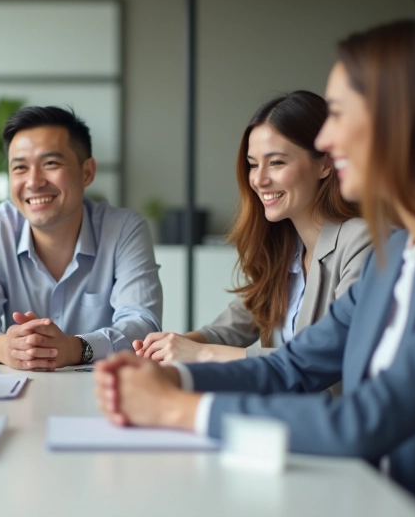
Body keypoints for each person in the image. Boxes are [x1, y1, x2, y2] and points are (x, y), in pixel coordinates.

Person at [95, 18, 415, 517]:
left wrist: (179, 409)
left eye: (337, 113)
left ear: (406, 118)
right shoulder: (396, 254)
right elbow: (292, 367)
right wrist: (171, 380)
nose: (328, 139)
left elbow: (368, 418)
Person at [134, 91, 370, 364]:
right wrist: (173, 345)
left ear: (325, 164)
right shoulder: (285, 249)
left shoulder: (360, 241)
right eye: (253, 164)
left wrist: (201, 353)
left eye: (277, 162)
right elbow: (232, 328)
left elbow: (327, 358)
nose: (258, 179)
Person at [0, 106, 162, 371]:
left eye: (50, 163)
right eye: (19, 167)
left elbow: (143, 324)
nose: (33, 181)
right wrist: (4, 346)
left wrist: (74, 348)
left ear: (87, 172)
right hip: (18, 393)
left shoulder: (124, 230)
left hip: (103, 392)